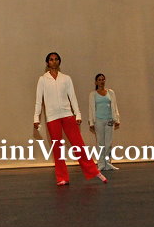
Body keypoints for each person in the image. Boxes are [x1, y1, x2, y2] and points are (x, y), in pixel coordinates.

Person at [33, 52, 107, 186]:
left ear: (59, 62)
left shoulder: (66, 78)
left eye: (56, 59)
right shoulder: (42, 80)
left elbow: (72, 97)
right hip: (52, 117)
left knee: (78, 144)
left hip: (67, 115)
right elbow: (39, 100)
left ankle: (94, 171)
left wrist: (77, 114)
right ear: (47, 63)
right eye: (51, 59)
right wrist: (36, 117)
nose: (54, 61)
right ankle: (62, 177)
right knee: (57, 148)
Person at [88, 73, 120, 171]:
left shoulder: (111, 93)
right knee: (100, 143)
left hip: (109, 120)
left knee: (108, 143)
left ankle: (108, 163)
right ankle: (101, 164)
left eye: (103, 79)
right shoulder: (93, 94)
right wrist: (91, 122)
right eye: (99, 80)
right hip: (98, 121)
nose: (101, 81)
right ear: (96, 82)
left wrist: (117, 119)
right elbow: (91, 109)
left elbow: (114, 106)